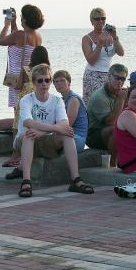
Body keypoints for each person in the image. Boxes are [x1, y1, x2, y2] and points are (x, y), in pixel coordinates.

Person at [14, 64, 94, 197]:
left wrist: (45, 132)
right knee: (29, 135)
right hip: (25, 140)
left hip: (47, 139)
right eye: (40, 80)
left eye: (47, 80)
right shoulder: (26, 100)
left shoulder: (57, 101)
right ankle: (26, 181)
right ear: (34, 83)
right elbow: (28, 122)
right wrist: (53, 128)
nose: (44, 84)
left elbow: (65, 124)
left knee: (67, 134)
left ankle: (75, 179)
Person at [0, 4, 44, 167]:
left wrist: (6, 25)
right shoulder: (36, 36)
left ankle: (15, 154)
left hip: (17, 80)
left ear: (25, 18)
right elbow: (19, 40)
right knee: (26, 117)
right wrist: (14, 23)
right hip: (29, 79)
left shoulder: (19, 35)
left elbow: (2, 41)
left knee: (17, 120)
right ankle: (22, 152)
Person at [5, 46, 51, 179]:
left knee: (17, 126)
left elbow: (18, 85)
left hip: (25, 98)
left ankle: (16, 155)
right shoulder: (47, 70)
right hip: (39, 99)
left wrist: (11, 79)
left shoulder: (27, 69)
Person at [86, 64, 128, 167]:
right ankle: (114, 165)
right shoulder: (99, 97)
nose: (120, 82)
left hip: (108, 130)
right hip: (94, 134)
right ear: (109, 76)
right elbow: (111, 122)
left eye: (123, 79)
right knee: (115, 130)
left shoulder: (121, 93)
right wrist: (121, 100)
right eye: (117, 78)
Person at [81, 7, 124, 106]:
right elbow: (91, 60)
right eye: (97, 19)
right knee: (94, 104)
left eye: (103, 18)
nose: (100, 21)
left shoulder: (110, 36)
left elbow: (121, 53)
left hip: (109, 75)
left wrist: (115, 37)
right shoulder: (87, 39)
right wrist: (100, 43)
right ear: (92, 21)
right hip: (93, 75)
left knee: (109, 104)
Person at [53, 70, 88, 152]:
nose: (59, 83)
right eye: (56, 81)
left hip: (77, 138)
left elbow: (67, 125)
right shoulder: (61, 100)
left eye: (62, 80)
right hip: (68, 135)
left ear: (69, 82)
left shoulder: (73, 99)